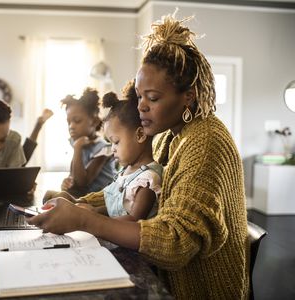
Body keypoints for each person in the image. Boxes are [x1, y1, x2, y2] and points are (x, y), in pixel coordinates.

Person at [28, 11, 249, 299]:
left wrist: (85, 220)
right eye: (139, 95)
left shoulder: (206, 141)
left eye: (153, 98)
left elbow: (175, 242)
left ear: (189, 97)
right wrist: (78, 204)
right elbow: (126, 186)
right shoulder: (169, 135)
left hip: (200, 289)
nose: (141, 106)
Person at [49, 83, 162, 221]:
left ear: (140, 135)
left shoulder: (147, 179)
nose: (112, 148)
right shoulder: (126, 172)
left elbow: (133, 222)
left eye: (116, 142)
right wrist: (91, 209)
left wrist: (91, 216)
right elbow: (113, 208)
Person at [59, 88, 116, 197]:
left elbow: (82, 182)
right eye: (69, 122)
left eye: (77, 121)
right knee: (51, 195)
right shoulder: (78, 143)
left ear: (94, 121)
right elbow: (74, 177)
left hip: (103, 199)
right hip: (83, 197)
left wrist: (77, 148)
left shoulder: (104, 148)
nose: (71, 126)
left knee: (58, 198)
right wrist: (67, 182)